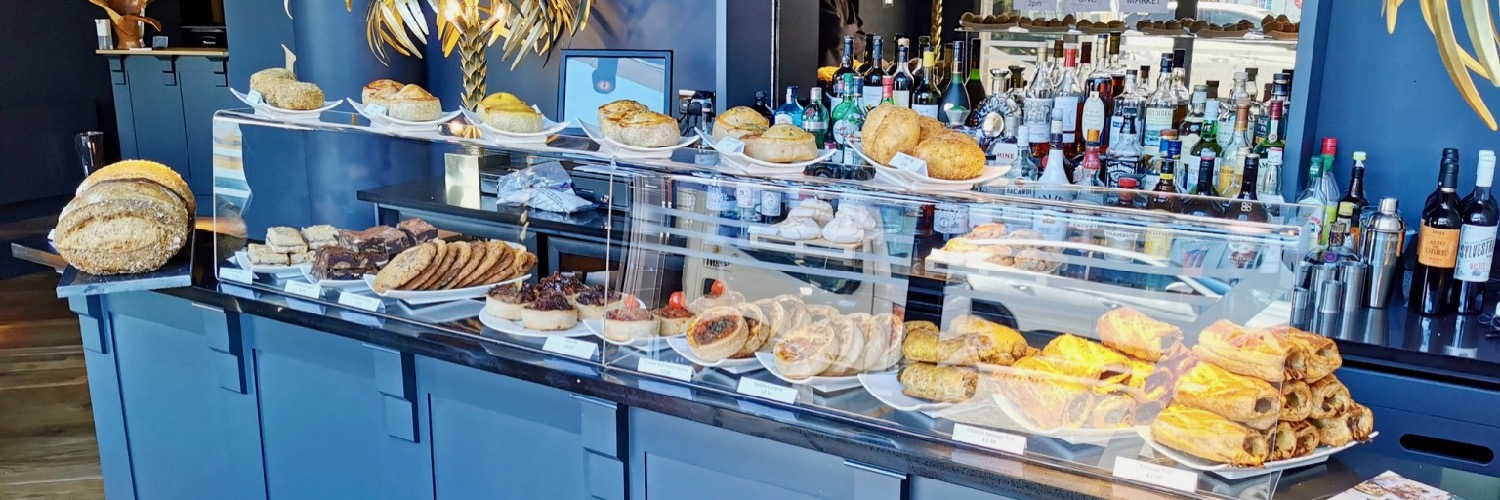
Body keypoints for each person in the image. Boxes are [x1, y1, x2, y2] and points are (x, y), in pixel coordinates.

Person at [820, 0, 863, 67]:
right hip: (821, 66)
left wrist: (859, 39)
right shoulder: (820, 4)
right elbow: (832, 36)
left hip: (842, 65)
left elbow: (857, 25)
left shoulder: (847, 3)